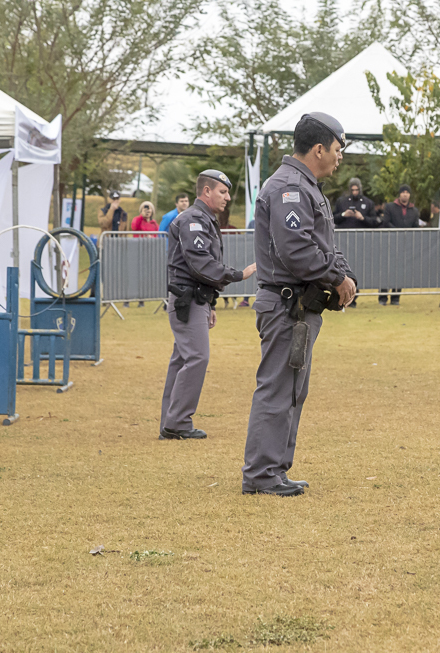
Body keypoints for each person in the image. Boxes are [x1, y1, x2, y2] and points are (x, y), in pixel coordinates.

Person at [242, 112, 357, 496]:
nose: (340, 157)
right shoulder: (289, 187)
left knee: (292, 389)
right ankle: (261, 475)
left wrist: (343, 272)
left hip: (299, 308)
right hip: (285, 305)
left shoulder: (305, 186)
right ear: (320, 148)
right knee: (277, 388)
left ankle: (274, 469)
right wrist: (337, 277)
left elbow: (323, 244)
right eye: (338, 149)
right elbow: (296, 249)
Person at [160, 170, 257, 442]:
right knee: (197, 358)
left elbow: (197, 267)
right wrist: (239, 274)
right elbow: (199, 262)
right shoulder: (193, 219)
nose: (227, 197)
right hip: (187, 300)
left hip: (195, 299)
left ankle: (171, 422)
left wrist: (211, 303)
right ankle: (177, 423)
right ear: (206, 192)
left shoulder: (203, 218)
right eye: (222, 192)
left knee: (182, 361)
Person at [381, 184, 420, 305]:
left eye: (407, 192)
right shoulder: (390, 207)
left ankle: (395, 297)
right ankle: (382, 296)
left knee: (400, 271)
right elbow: (386, 222)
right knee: (387, 270)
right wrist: (397, 232)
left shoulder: (414, 211)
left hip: (405, 245)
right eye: (403, 192)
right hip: (391, 243)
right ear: (399, 194)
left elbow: (415, 226)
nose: (405, 194)